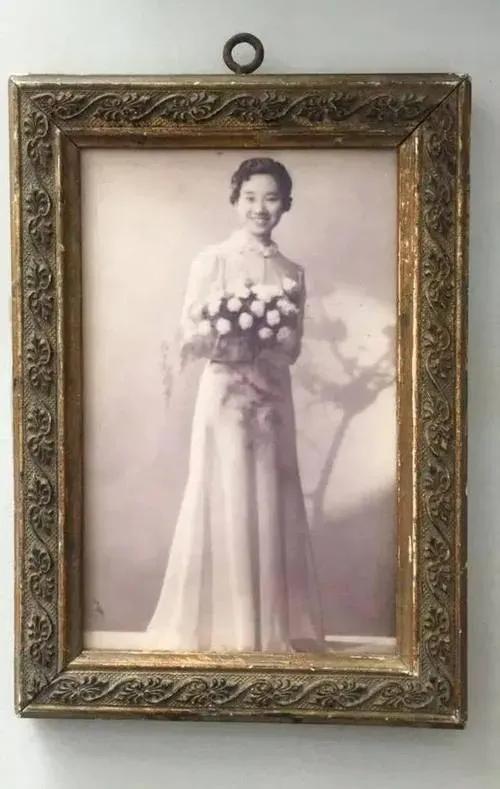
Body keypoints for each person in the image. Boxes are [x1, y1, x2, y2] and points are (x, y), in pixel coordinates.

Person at [146, 157, 324, 653]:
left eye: (271, 198)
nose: (260, 208)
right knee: (227, 493)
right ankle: (229, 630)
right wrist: (236, 341)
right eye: (250, 198)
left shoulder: (292, 272)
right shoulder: (212, 261)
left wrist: (266, 341)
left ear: (285, 204)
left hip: (272, 396)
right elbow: (191, 333)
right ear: (235, 200)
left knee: (270, 495)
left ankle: (266, 631)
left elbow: (293, 347)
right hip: (226, 394)